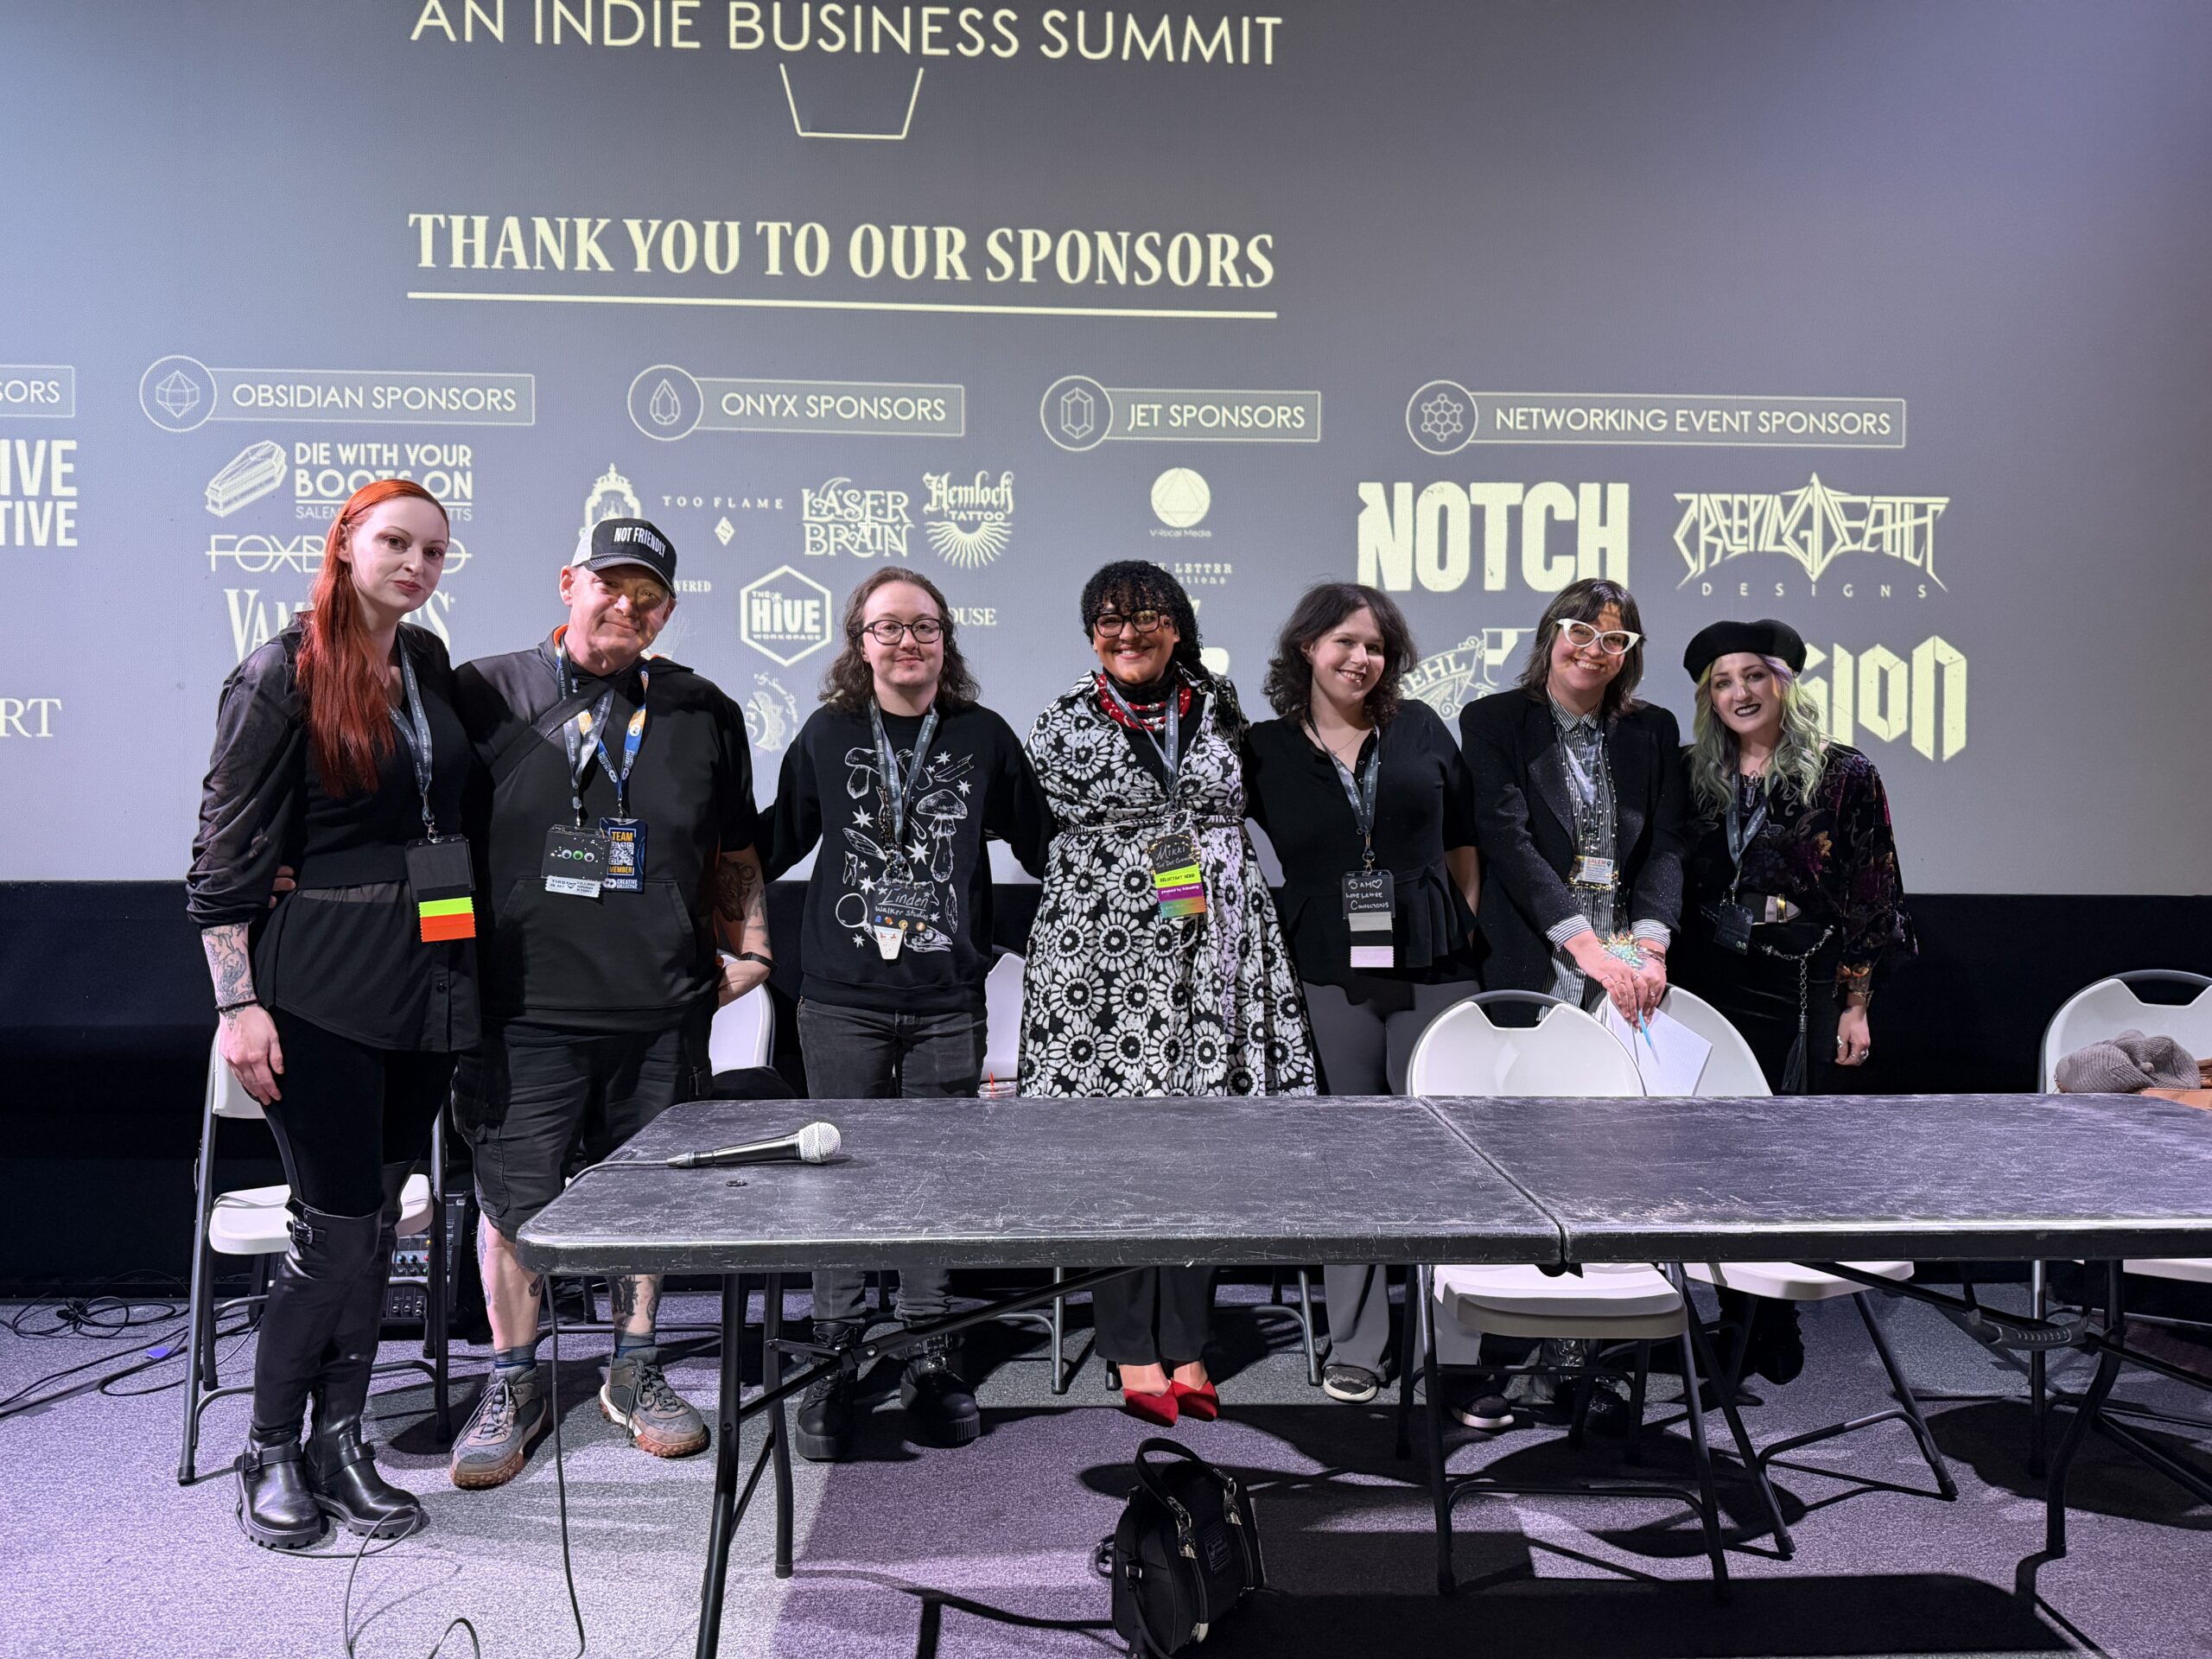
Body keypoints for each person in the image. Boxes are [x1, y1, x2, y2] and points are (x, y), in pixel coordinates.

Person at [445, 518, 772, 1489]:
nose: (625, 607)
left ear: (665, 612)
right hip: (520, 1010)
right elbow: (426, 834)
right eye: (609, 585)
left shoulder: (701, 708)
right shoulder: (481, 693)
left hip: (659, 1008)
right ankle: (513, 1381)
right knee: (512, 1207)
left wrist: (752, 949)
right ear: (566, 583)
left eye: (648, 596)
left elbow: (734, 849)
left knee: (650, 1204)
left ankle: (633, 1372)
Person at [187, 479, 473, 1548]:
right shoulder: (281, 670)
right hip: (318, 989)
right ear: (346, 543)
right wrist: (239, 1004)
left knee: (377, 1225)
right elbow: (220, 859)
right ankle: (268, 1448)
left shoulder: (427, 664)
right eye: (396, 542)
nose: (416, 564)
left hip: (431, 979)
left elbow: (442, 818)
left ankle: (339, 1444)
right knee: (335, 1231)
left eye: (435, 551)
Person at [759, 569, 1052, 1460]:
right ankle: (839, 1350)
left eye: (923, 627)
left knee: (934, 1177)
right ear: (858, 642)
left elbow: (1043, 845)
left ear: (945, 641)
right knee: (837, 1176)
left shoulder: (982, 737)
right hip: (841, 998)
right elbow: (776, 842)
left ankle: (928, 1344)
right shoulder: (825, 734)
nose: (906, 643)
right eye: (885, 628)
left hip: (944, 999)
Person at [1020, 560, 1317, 1427]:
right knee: (1119, 1158)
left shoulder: (1220, 707)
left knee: (1202, 1151)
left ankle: (1188, 1341)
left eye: (1146, 615)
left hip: (1215, 954)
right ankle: (1129, 1349)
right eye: (1108, 620)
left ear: (1176, 625)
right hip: (1102, 974)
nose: (1127, 632)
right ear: (1090, 636)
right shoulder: (1060, 722)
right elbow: (1038, 840)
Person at [1456, 577, 1688, 1430]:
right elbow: (1506, 838)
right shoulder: (1494, 721)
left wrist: (1649, 942)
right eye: (1579, 632)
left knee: (1610, 1173)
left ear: (1629, 652)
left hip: (1627, 970)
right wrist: (1579, 943)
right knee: (1519, 1171)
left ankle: (1587, 1363)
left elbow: (1665, 842)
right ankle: (1503, 1358)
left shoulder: (1650, 731)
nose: (1594, 650)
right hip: (1538, 961)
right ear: (1549, 634)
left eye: (1614, 639)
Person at [1243, 582, 1481, 1404]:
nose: (1360, 658)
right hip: (1326, 968)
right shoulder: (1261, 748)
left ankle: (1456, 1345)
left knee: (1446, 1155)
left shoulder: (1418, 728)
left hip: (1436, 963)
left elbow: (1463, 838)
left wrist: (1459, 917)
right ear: (1307, 647)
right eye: (1343, 641)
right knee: (1347, 1157)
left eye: (1375, 646)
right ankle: (1359, 1344)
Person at [1671, 619, 1916, 1383]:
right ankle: (1746, 1323)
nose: (1738, 693)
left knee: (1778, 1160)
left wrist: (1857, 1002)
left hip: (1803, 982)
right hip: (1711, 977)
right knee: (1715, 1156)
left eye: (1752, 676)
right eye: (1720, 681)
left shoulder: (1843, 774)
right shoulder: (1693, 774)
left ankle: (1766, 1325)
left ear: (1784, 682)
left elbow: (1873, 895)